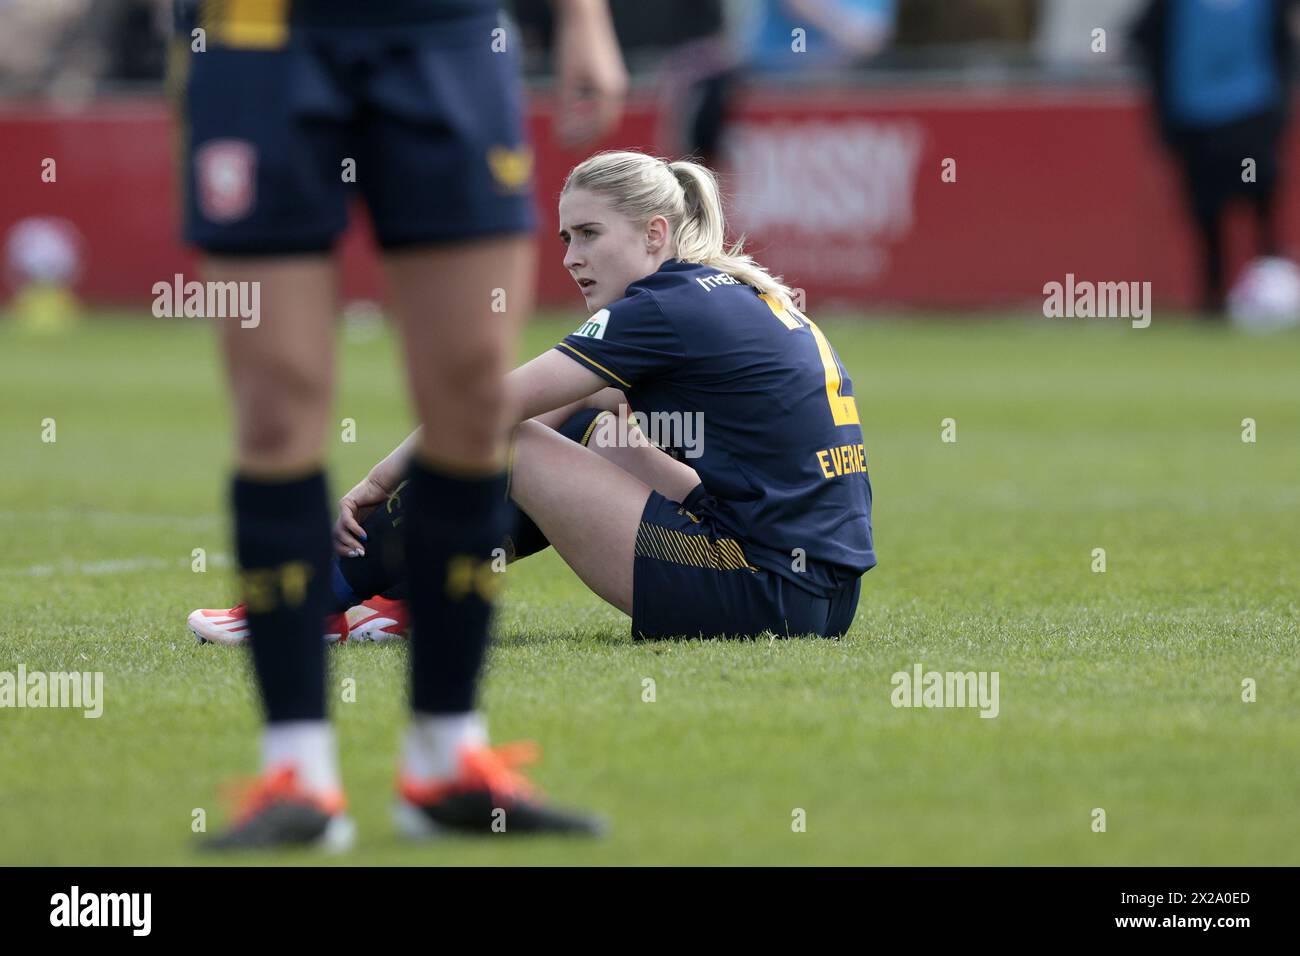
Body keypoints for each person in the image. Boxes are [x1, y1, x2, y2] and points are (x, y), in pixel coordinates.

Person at [173, 0, 627, 850]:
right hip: (260, 32)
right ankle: (297, 776)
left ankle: (447, 763)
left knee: (467, 398)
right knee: (276, 407)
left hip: (445, 32)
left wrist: (581, 15)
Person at [194, 151, 876, 649]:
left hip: (763, 590)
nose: (572, 257)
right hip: (823, 596)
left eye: (589, 234)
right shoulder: (728, 292)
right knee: (593, 423)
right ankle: (405, 599)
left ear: (655, 235)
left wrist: (375, 483)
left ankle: (312, 599)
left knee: (508, 439)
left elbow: (483, 406)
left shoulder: (661, 311)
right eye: (564, 238)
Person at [1130, 0, 1298, 315]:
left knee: (1260, 198)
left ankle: (1271, 288)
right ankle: (1213, 297)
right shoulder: (1172, 6)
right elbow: (1142, 38)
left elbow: (1282, 46)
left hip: (1252, 117)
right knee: (1207, 213)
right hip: (1195, 122)